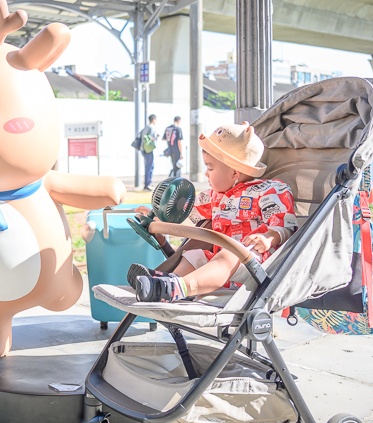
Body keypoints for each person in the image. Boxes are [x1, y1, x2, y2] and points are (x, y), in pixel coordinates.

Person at [127, 123, 298, 302]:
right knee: (194, 256)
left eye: (210, 168)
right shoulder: (214, 197)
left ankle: (177, 287)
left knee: (229, 254)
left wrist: (269, 237)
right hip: (220, 264)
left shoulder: (270, 190)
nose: (206, 175)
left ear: (234, 172)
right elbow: (182, 210)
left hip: (255, 265)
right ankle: (166, 285)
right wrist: (156, 214)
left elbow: (285, 224)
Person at [137, 114, 158, 191]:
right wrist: (156, 137)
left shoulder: (145, 128)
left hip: (143, 149)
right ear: (153, 120)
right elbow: (150, 138)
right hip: (148, 149)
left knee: (148, 166)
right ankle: (147, 184)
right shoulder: (151, 128)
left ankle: (147, 183)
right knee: (150, 166)